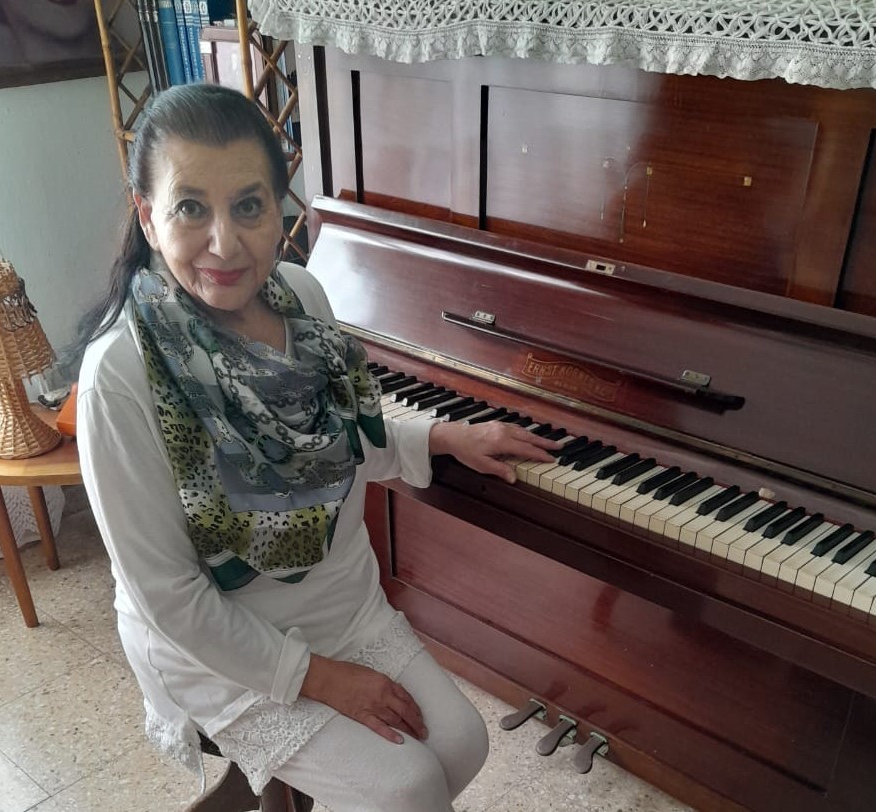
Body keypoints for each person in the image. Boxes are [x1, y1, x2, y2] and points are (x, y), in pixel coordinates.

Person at [75, 83, 559, 812]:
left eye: (248, 206)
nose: (224, 244)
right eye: (190, 208)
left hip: (339, 602)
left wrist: (446, 435)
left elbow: (343, 440)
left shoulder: (303, 296)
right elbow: (169, 597)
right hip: (217, 642)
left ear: (281, 209)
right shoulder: (118, 374)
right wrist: (324, 680)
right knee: (406, 788)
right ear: (148, 216)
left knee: (464, 744)